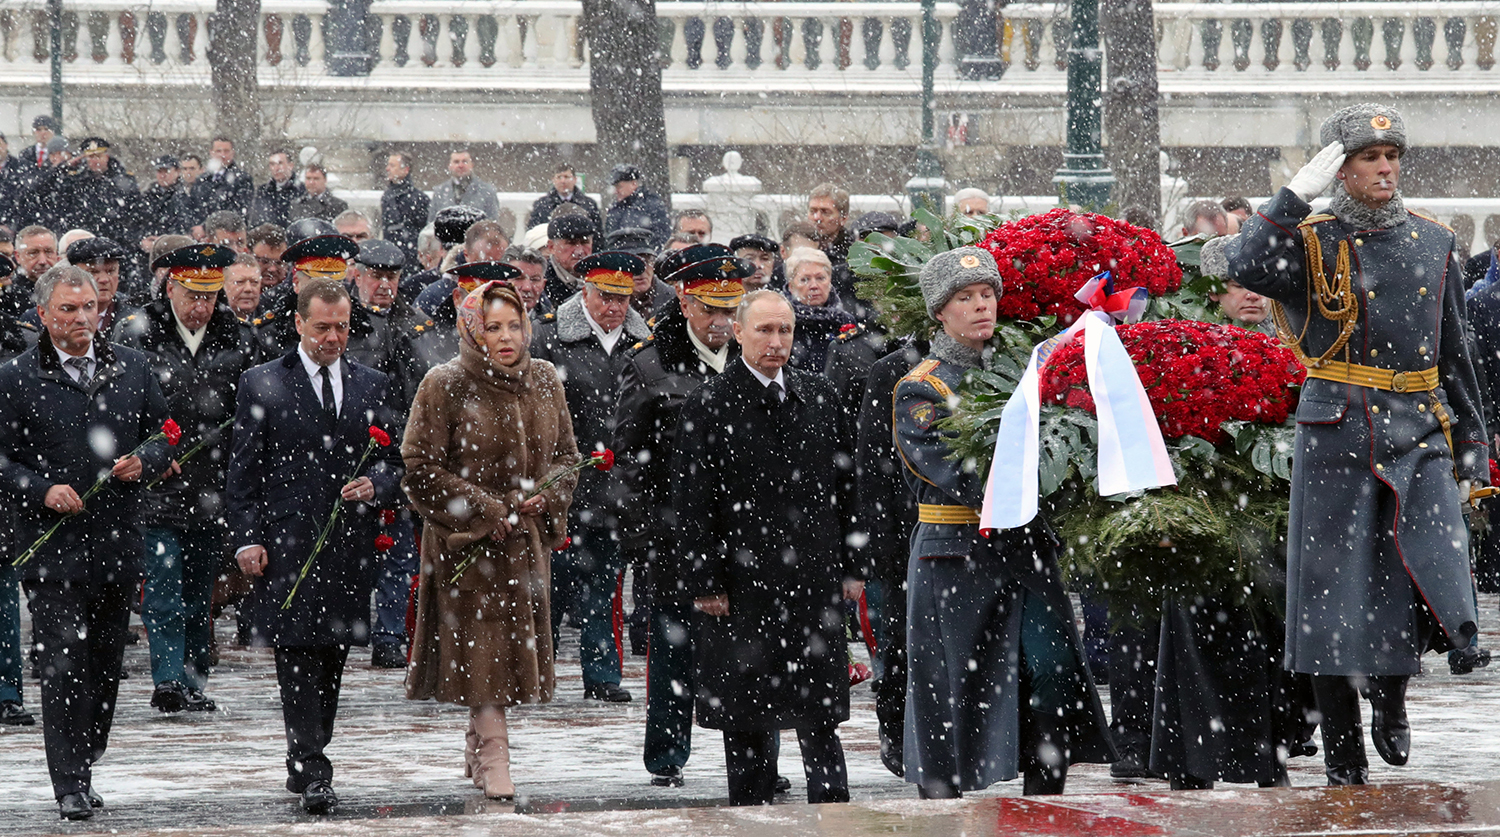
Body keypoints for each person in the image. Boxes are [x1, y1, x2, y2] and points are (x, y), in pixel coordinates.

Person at [1226, 103, 1488, 785]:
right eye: (1370, 158)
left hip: (1418, 421)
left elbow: (1455, 352)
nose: (1385, 168)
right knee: (1330, 599)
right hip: (1336, 425)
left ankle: (1397, 693)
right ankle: (1344, 751)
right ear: (1341, 170)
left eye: (1392, 157)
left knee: (1420, 562)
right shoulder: (1310, 240)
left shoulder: (1434, 241)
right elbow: (1247, 263)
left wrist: (1472, 448)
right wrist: (1293, 192)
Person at [894, 247, 1114, 799]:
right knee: (953, 681)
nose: (980, 307)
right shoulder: (923, 387)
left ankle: (1048, 791)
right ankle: (943, 793)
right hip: (956, 548)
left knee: (1053, 665)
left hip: (1026, 547)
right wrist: (1034, 479)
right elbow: (951, 468)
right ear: (939, 314)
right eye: (964, 299)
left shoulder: (1025, 367)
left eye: (986, 294)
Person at [673, 289, 864, 806]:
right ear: (737, 332)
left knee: (819, 715)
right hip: (743, 584)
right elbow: (692, 503)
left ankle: (832, 811)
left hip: (812, 580)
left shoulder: (820, 396)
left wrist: (853, 565)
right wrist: (705, 581)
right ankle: (751, 811)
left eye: (785, 330)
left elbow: (849, 490)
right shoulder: (709, 404)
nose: (776, 342)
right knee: (748, 717)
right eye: (764, 330)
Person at [0, 263, 172, 820]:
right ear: (44, 314)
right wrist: (42, 488)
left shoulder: (133, 367)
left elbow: (164, 436)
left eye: (90, 308)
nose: (81, 318)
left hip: (117, 541)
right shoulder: (16, 377)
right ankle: (68, 779)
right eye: (68, 309)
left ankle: (87, 749)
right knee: (62, 663)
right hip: (51, 548)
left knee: (101, 662)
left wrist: (144, 460)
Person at [226, 279, 404, 814]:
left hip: (349, 544)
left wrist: (378, 485)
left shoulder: (372, 383)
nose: (333, 336)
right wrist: (247, 538)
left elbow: (396, 460)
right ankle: (311, 765)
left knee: (332, 655)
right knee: (297, 653)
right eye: (322, 326)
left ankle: (308, 750)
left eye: (342, 326)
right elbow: (243, 469)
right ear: (299, 323)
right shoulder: (261, 382)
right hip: (287, 542)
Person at [403, 279, 580, 799]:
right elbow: (419, 467)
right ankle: (495, 752)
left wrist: (546, 496)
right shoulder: (445, 383)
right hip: (468, 548)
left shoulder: (546, 379)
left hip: (525, 547)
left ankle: (478, 742)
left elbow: (568, 457)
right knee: (481, 654)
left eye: (515, 325)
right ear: (472, 329)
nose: (507, 337)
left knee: (503, 654)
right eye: (493, 326)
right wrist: (484, 509)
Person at [613, 248, 749, 788]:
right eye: (710, 310)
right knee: (675, 651)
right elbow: (629, 462)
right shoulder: (650, 364)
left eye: (728, 310)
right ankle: (667, 754)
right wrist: (648, 536)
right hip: (677, 534)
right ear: (686, 302)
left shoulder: (752, 354)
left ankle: (752, 747)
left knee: (749, 649)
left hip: (745, 532)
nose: (721, 323)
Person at [114, 243, 258, 714]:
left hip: (212, 483)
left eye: (210, 297)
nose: (202, 307)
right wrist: (150, 453)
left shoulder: (236, 336)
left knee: (200, 590)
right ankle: (168, 679)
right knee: (162, 587)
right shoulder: (138, 332)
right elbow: (116, 406)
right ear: (171, 287)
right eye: (192, 295)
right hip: (158, 485)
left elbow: (250, 407)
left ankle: (194, 679)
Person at [531, 251, 652, 703]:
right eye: (605, 297)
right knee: (551, 585)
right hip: (564, 480)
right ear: (584, 292)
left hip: (619, 484)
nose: (615, 308)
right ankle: (538, 671)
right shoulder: (548, 336)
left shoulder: (642, 342)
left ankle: (602, 675)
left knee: (605, 584)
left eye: (623, 299)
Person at [782, 246, 853, 372]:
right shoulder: (783, 320)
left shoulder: (845, 319)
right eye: (805, 279)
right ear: (791, 287)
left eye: (820, 278)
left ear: (830, 281)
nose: (814, 286)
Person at [602, 164, 671, 248]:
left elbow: (662, 238)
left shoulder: (652, 205)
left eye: (619, 187)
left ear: (634, 184)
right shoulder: (615, 208)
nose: (616, 191)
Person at [381, 151, 430, 265]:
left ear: (405, 170)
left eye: (392, 165)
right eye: (388, 165)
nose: (388, 169)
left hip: (411, 260)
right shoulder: (387, 197)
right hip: (392, 258)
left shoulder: (419, 199)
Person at [540, 211, 597, 310]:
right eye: (571, 243)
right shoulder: (539, 282)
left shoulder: (603, 276)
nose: (579, 251)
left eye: (585, 243)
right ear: (551, 247)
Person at [429, 147, 499, 222]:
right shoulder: (439, 192)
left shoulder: (487, 191)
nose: (460, 165)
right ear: (449, 166)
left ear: (472, 165)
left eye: (465, 161)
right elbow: (431, 225)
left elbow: (493, 224)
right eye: (456, 162)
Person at [528, 162, 600, 229]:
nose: (563, 181)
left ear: (575, 179)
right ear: (553, 180)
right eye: (559, 177)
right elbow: (533, 232)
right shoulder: (541, 205)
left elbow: (597, 234)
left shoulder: (589, 204)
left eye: (566, 177)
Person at [201, 136, 254, 221]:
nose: (222, 155)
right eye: (218, 151)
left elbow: (239, 212)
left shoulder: (242, 180)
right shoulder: (202, 180)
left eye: (226, 151)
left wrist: (205, 227)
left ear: (232, 153)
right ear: (211, 153)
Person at [249, 149, 304, 228]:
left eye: (280, 163)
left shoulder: (301, 190)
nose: (276, 168)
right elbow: (255, 220)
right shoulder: (263, 191)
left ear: (290, 166)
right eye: (272, 164)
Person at [807, 182, 853, 266]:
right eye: (812, 211)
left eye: (825, 212)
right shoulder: (794, 246)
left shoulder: (854, 254)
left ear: (843, 218)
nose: (817, 217)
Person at [225, 252, 263, 320]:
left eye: (254, 282)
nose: (248, 289)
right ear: (223, 285)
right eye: (240, 282)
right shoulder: (210, 323)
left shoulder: (272, 322)